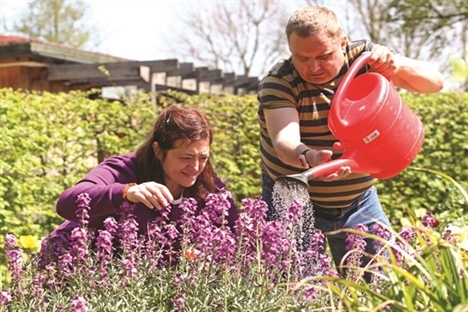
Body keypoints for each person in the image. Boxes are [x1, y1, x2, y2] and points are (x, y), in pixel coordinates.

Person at [257, 6, 444, 279]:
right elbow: (284, 141)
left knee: (380, 286)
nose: (314, 67)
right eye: (302, 57)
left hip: (359, 200)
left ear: (342, 42)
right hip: (296, 202)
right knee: (300, 292)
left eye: (323, 56)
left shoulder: (365, 58)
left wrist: (397, 63)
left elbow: (435, 83)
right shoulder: (279, 81)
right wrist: (310, 157)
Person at [41, 104, 239, 261]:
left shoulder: (210, 185)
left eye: (203, 158)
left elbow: (235, 233)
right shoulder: (124, 168)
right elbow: (66, 203)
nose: (195, 167)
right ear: (158, 150)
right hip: (75, 269)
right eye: (186, 157)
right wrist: (125, 193)